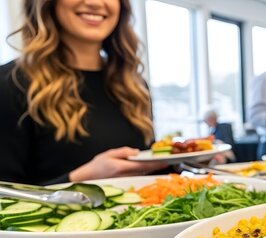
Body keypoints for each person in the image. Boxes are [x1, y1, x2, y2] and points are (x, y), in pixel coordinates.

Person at [0, 0, 165, 185]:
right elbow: (5, 198)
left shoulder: (133, 86)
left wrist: (186, 162)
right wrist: (80, 180)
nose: (94, 3)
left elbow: (147, 168)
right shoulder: (10, 83)